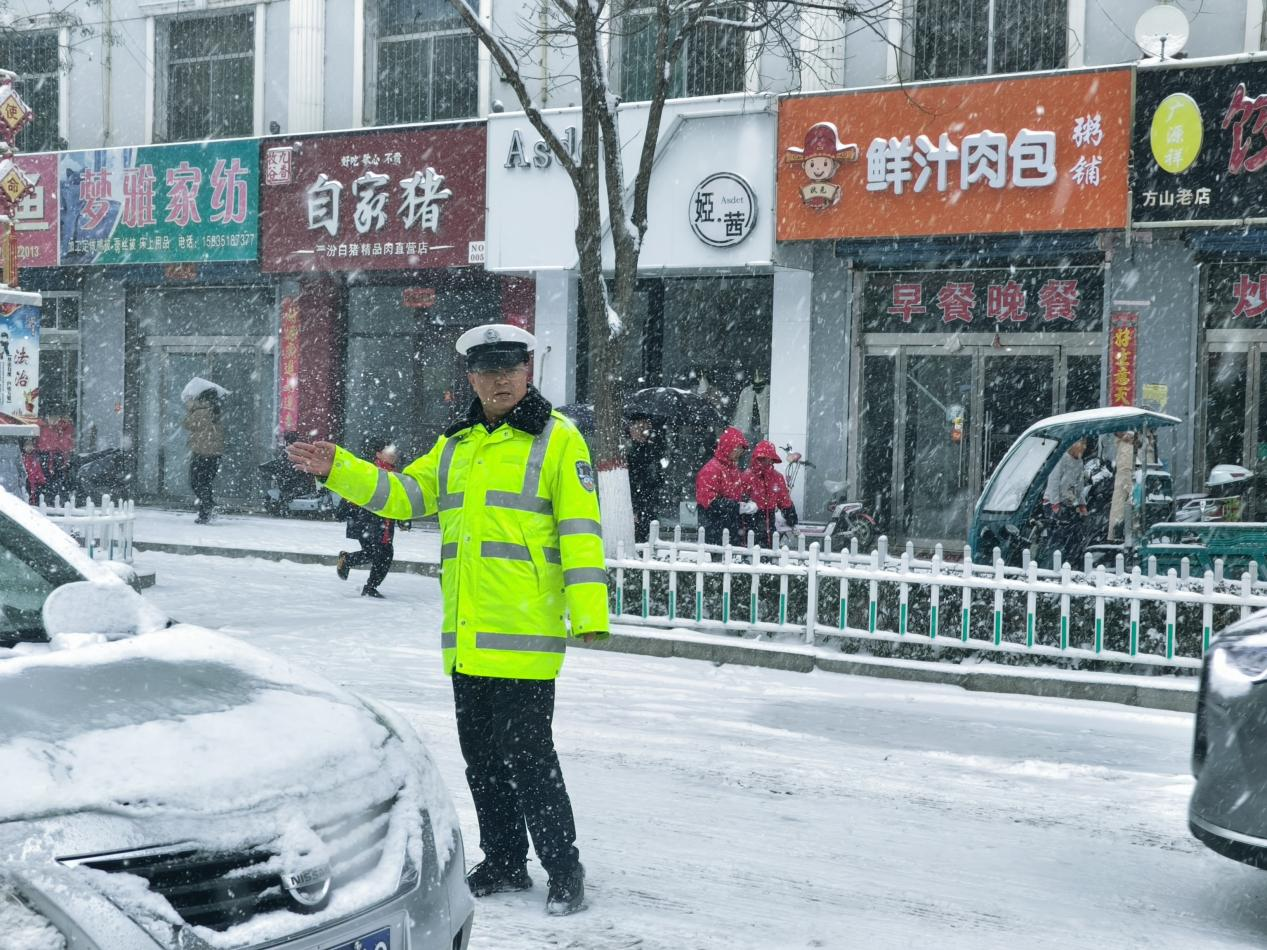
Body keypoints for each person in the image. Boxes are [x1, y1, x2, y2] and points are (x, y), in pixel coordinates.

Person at [287, 323, 607, 917]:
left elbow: (581, 531)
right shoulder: (457, 445)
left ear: (528, 371)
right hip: (465, 639)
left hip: (525, 634)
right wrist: (340, 469)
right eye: (488, 370)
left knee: (532, 759)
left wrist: (590, 614)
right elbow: (405, 496)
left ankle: (565, 868)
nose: (501, 379)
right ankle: (507, 861)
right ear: (471, 377)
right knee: (482, 761)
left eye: (511, 368)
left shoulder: (558, 440)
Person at [336, 438, 401, 598]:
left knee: (385, 554)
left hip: (385, 523)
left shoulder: (394, 474)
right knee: (377, 552)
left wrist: (403, 519)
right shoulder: (370, 470)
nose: (394, 454)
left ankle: (370, 586)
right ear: (378, 454)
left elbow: (399, 499)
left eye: (394, 451)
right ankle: (349, 561)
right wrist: (344, 509)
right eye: (390, 451)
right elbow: (353, 490)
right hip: (366, 521)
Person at [695, 426, 752, 543]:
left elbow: (737, 494)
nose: (739, 453)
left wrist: (746, 503)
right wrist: (736, 506)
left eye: (741, 450)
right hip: (714, 530)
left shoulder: (733, 469)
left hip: (730, 528)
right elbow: (708, 502)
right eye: (737, 449)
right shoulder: (711, 469)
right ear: (728, 447)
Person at [744, 440, 798, 549]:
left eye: (768, 459)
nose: (766, 462)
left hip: (768, 520)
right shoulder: (747, 477)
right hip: (751, 521)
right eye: (762, 459)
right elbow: (740, 499)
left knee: (767, 549)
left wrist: (792, 520)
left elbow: (785, 502)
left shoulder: (776, 478)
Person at [1044, 437, 1089, 564]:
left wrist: (1082, 504)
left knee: (1072, 535)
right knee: (1057, 536)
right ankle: (1052, 563)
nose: (1084, 447)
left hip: (1068, 502)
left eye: (1085, 443)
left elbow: (1079, 485)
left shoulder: (1079, 462)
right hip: (1053, 502)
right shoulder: (1062, 459)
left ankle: (1068, 563)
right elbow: (1053, 482)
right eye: (1082, 443)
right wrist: (1055, 504)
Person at [183, 390, 224, 524]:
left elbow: (187, 424)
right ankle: (206, 512)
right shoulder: (215, 411)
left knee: (196, 483)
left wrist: (190, 407)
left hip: (201, 453)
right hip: (214, 455)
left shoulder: (202, 412)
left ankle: (208, 507)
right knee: (205, 483)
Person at [626, 415, 667, 544]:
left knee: (647, 536)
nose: (644, 431)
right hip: (637, 501)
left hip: (648, 501)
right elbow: (632, 481)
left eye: (646, 428)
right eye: (640, 428)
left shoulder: (652, 450)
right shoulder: (629, 451)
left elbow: (657, 477)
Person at [19, 438, 45, 505]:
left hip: (33, 486)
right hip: (24, 484)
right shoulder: (21, 458)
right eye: (27, 445)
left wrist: (40, 481)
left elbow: (39, 472)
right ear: (23, 447)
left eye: (31, 445)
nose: (29, 447)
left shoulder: (35, 459)